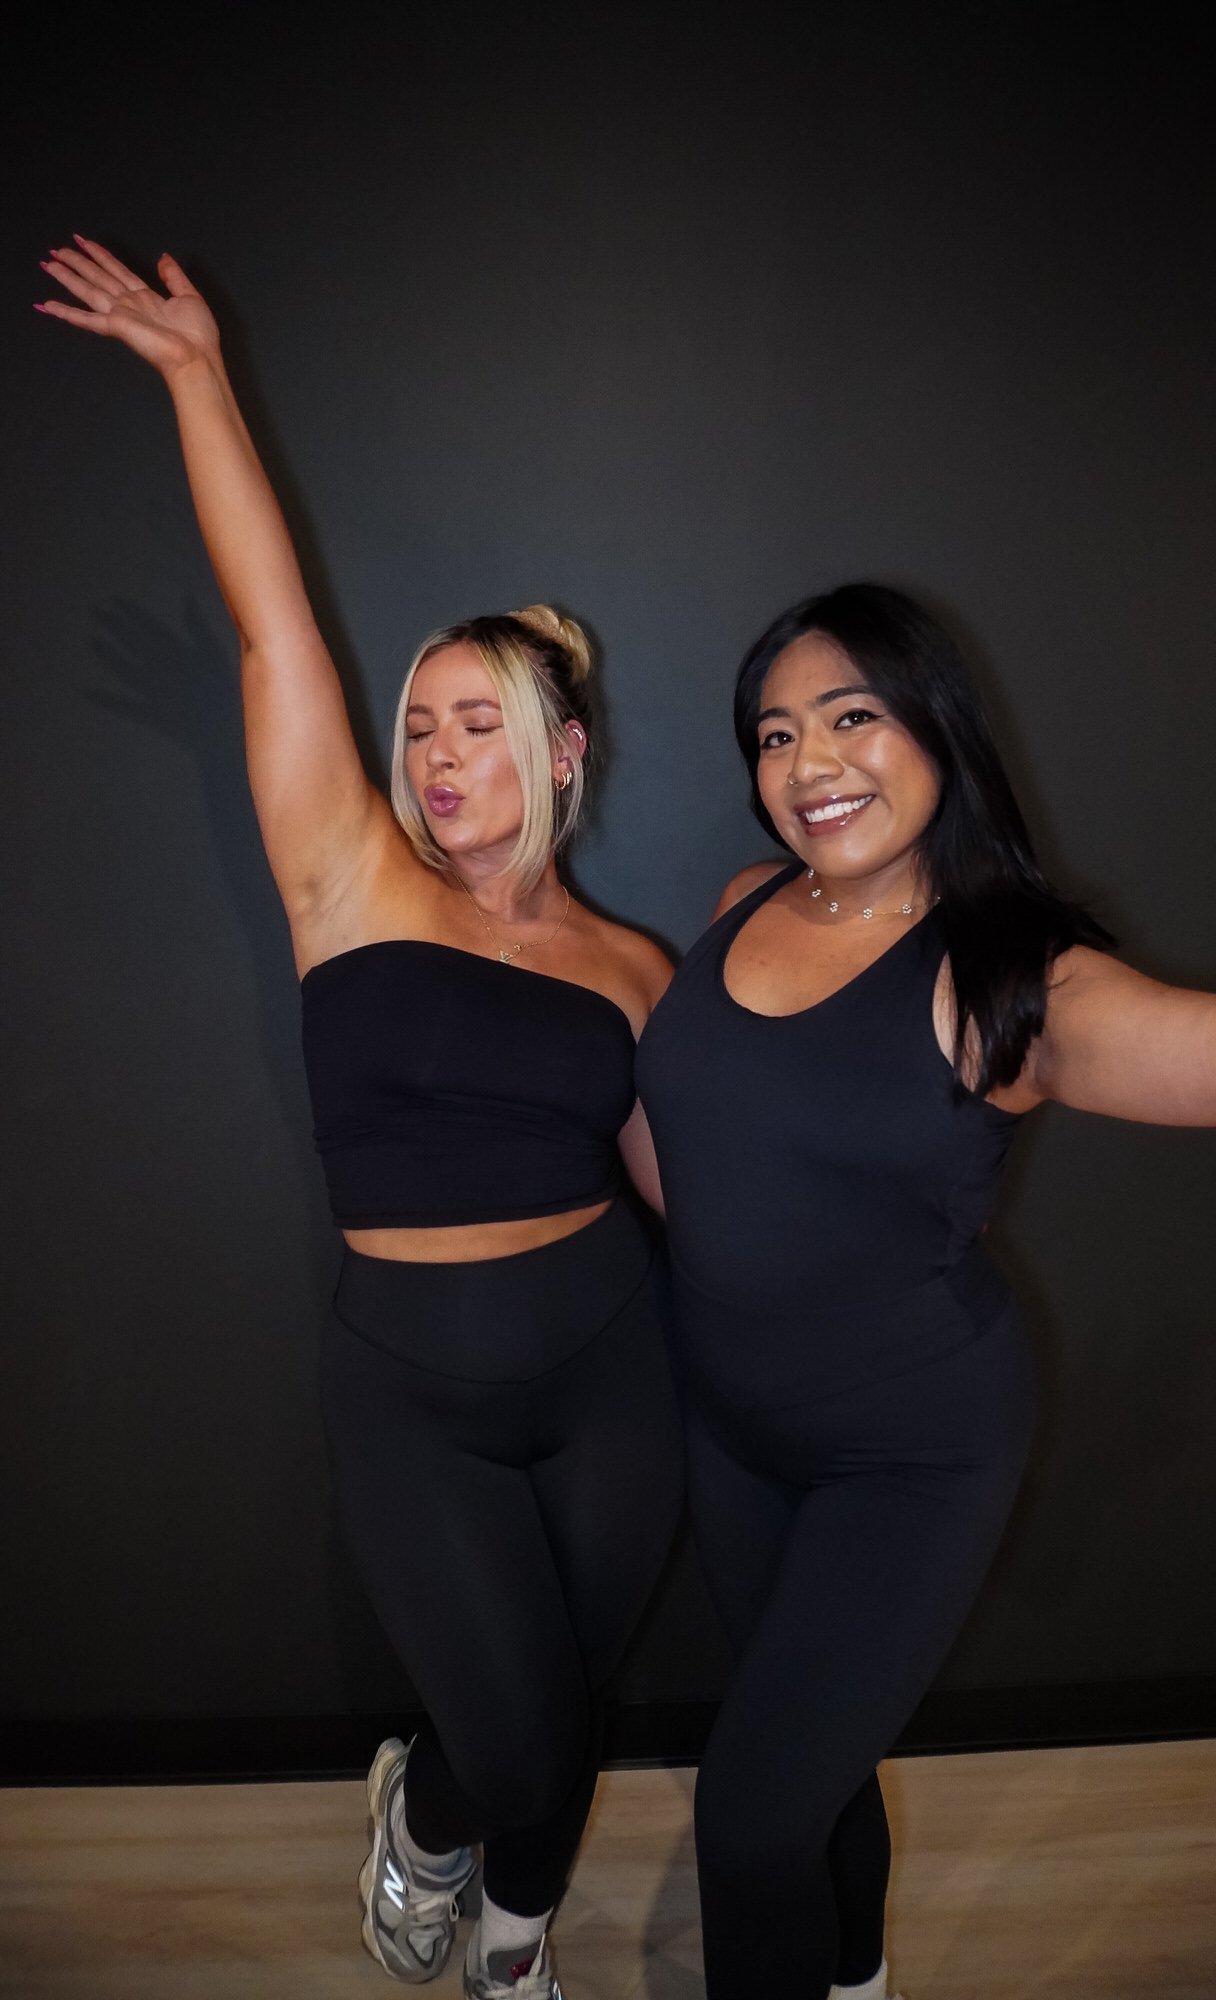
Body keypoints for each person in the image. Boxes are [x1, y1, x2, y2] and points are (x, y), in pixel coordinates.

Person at [37, 237, 683, 1999]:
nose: (438, 749)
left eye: (481, 721)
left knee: (572, 1719)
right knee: (524, 1738)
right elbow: (273, 629)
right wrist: (193, 374)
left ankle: (513, 1952)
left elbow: (682, 1192)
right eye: (420, 723)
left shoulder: (636, 967)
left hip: (612, 1366)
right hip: (417, 1393)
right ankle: (423, 1825)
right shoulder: (349, 877)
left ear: (562, 755)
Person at [634, 581, 1216, 2000]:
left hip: (907, 1448)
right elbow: (698, 1145)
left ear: (936, 729)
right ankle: (859, 1978)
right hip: (728, 1423)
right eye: (772, 735)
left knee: (746, 1817)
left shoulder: (1009, 975)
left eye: (850, 716)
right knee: (811, 1771)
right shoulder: (738, 905)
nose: (807, 762)